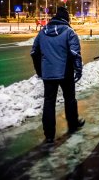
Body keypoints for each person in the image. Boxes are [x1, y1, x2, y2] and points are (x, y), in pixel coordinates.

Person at [30, 7, 84, 143]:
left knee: (49, 102)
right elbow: (75, 53)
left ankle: (49, 135)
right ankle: (72, 124)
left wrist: (40, 71)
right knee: (70, 98)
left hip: (48, 73)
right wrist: (78, 69)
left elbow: (34, 52)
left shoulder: (42, 33)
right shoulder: (69, 32)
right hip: (65, 72)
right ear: (66, 19)